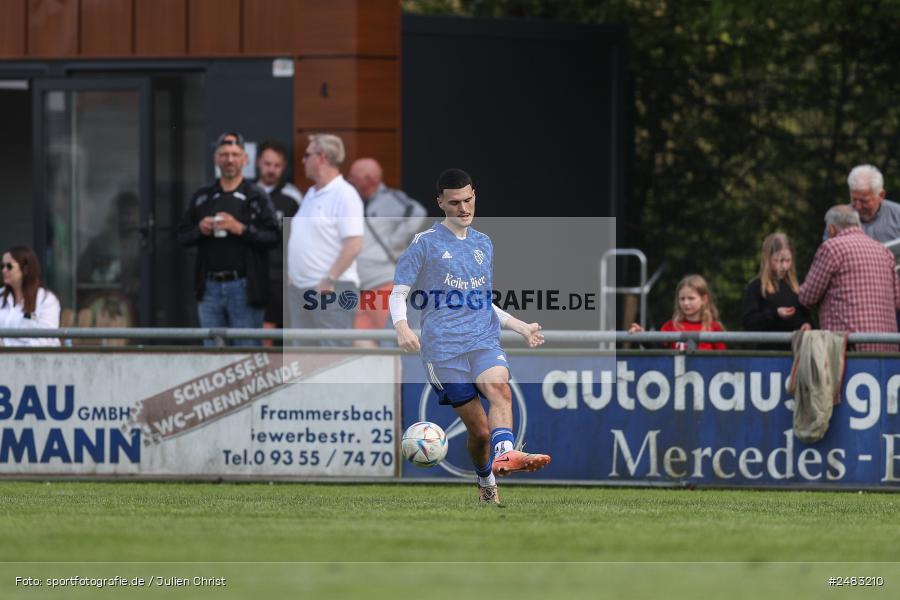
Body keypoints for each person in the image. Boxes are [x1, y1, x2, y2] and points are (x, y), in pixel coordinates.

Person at [390, 168, 551, 506]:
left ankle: (506, 454)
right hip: (444, 350)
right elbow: (398, 293)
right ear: (440, 203)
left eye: (468, 200)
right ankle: (486, 480)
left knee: (499, 388)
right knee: (479, 433)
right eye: (454, 203)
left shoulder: (483, 243)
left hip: (482, 340)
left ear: (475, 195)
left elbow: (480, 300)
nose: (463, 208)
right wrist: (402, 327)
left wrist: (519, 325)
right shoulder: (425, 243)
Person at [177, 132, 279, 346]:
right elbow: (182, 235)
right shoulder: (203, 196)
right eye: (224, 154)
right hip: (209, 287)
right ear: (215, 158)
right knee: (212, 353)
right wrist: (200, 229)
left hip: (244, 287)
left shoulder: (256, 195)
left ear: (245, 159)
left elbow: (273, 237)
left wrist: (240, 229)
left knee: (246, 353)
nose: (229, 160)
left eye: (235, 154)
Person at [286, 134, 364, 346]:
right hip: (302, 290)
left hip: (331, 291)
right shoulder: (311, 193)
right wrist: (294, 278)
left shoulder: (345, 194)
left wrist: (330, 279)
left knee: (332, 358)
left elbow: (354, 244)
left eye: (307, 155)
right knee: (303, 360)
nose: (302, 160)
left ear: (321, 157)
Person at [347, 158, 427, 345]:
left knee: (390, 342)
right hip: (361, 287)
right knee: (360, 344)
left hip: (384, 283)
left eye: (353, 176)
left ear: (369, 179)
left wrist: (394, 243)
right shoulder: (352, 201)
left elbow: (418, 212)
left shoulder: (390, 199)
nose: (349, 180)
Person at [799, 205, 900, 352]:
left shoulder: (831, 248)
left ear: (831, 229)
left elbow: (807, 297)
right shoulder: (884, 251)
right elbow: (897, 301)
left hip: (850, 347)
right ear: (857, 224)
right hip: (887, 347)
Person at [255, 140, 303, 335]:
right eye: (267, 164)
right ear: (258, 162)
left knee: (276, 331)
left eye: (277, 165)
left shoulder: (293, 197)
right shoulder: (247, 192)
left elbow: (300, 240)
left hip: (281, 276)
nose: (271, 170)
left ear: (284, 167)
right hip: (251, 275)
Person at [741, 233, 812, 345]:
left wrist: (806, 324)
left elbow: (805, 315)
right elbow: (749, 322)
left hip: (795, 350)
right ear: (767, 258)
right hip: (769, 351)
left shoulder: (798, 285)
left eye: (788, 261)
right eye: (778, 261)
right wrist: (775, 314)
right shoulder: (756, 287)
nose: (784, 266)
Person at [628, 274, 726, 351]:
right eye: (682, 299)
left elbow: (722, 359)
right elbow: (658, 349)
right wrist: (642, 336)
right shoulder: (670, 326)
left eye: (691, 298)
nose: (686, 303)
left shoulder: (714, 327)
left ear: (704, 299)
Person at [0, 246, 61, 347]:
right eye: (2, 266)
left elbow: (46, 340)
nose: (4, 270)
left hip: (33, 357)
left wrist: (7, 346)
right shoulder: (1, 296)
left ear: (26, 269)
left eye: (9, 266)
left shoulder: (46, 300)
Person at [846, 164, 900, 243]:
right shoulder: (838, 219)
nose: (858, 206)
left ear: (881, 195)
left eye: (864, 201)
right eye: (854, 200)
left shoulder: (897, 215)